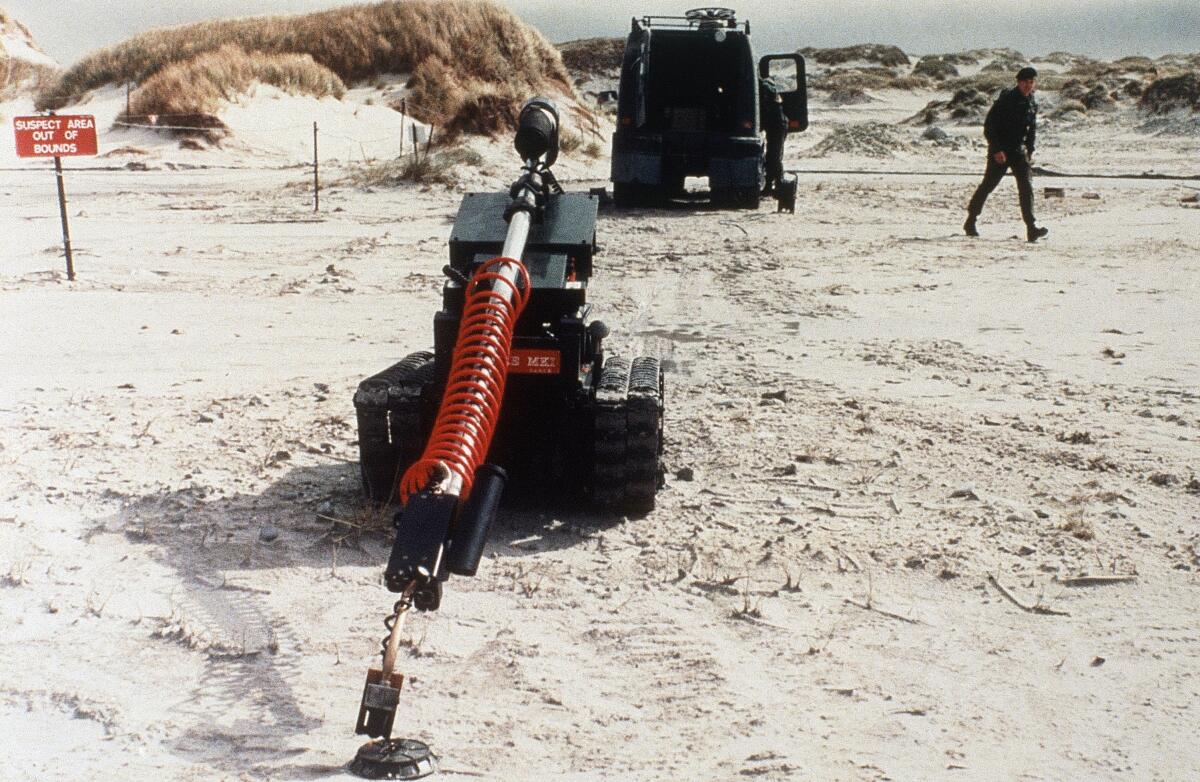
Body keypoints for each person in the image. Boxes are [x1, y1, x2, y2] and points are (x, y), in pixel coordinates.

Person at [964, 66, 1049, 243]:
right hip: (1001, 151)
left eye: (1031, 82)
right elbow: (989, 126)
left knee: (1026, 188)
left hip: (1019, 151)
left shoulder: (1032, 102)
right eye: (1025, 82)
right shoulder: (1007, 100)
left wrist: (1030, 149)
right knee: (989, 185)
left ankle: (1031, 228)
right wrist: (996, 149)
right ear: (1018, 82)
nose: (1028, 85)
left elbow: (1031, 128)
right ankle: (971, 219)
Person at [759, 77, 787, 195]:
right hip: (775, 126)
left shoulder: (768, 88)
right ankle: (772, 185)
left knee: (773, 156)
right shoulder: (772, 94)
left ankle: (778, 184)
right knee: (772, 156)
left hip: (776, 126)